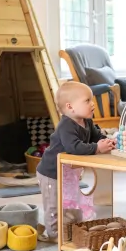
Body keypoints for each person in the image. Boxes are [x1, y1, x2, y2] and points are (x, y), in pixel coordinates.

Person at [36, 81, 116, 242]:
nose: (92, 104)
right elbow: (74, 147)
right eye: (87, 101)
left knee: (70, 200)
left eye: (91, 100)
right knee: (54, 204)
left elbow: (97, 137)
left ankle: (70, 227)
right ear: (70, 107)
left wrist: (107, 142)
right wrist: (97, 148)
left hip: (67, 171)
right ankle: (54, 234)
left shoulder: (87, 121)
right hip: (51, 172)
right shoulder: (66, 125)